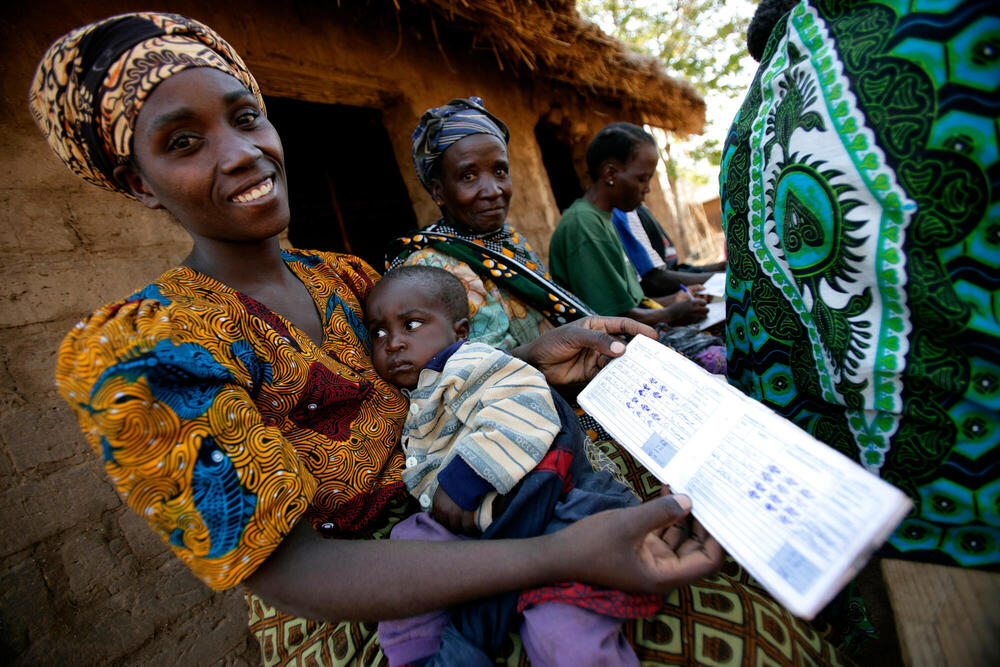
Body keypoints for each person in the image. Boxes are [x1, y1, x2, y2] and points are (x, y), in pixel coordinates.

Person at [27, 12, 731, 666]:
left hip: (468, 496)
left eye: (246, 118)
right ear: (138, 182)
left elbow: (409, 399)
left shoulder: (348, 278)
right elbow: (296, 573)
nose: (242, 152)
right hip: (364, 599)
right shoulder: (143, 352)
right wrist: (556, 554)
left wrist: (526, 360)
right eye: (184, 141)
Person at [721, 0, 998, 570]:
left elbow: (754, 328)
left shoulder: (746, 129)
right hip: (966, 495)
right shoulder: (948, 30)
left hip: (819, 488)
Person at [367, 265, 653, 665]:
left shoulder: (470, 363)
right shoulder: (421, 388)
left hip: (550, 505)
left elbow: (524, 403)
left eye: (412, 324)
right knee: (405, 557)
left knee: (565, 626)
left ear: (461, 331)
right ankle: (417, 650)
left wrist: (462, 482)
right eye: (378, 332)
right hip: (474, 520)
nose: (393, 343)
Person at [549, 122, 727, 372]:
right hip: (622, 349)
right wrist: (674, 312)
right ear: (610, 174)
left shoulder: (602, 219)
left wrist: (673, 300)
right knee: (734, 360)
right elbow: (611, 321)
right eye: (642, 178)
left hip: (641, 333)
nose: (648, 189)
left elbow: (631, 301)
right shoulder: (584, 226)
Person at [611, 204, 726, 298]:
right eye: (641, 179)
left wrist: (720, 268)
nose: (647, 189)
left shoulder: (640, 209)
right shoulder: (623, 213)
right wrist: (719, 278)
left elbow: (672, 268)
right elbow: (653, 280)